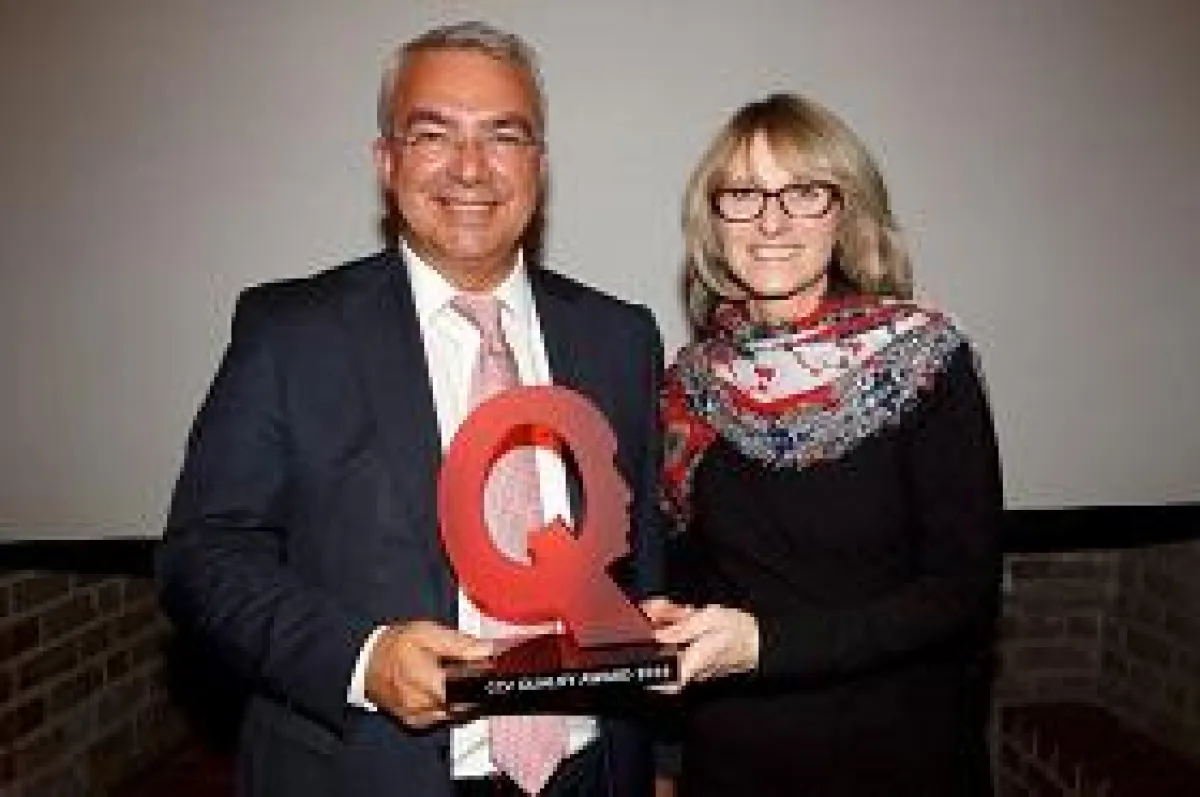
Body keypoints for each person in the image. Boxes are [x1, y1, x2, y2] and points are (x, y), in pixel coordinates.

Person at [157, 21, 665, 797]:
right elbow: (204, 555)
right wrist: (364, 658)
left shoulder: (620, 336)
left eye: (504, 135)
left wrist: (659, 762)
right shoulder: (291, 333)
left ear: (539, 164)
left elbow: (642, 554)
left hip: (593, 772)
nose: (470, 167)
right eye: (434, 134)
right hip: (370, 772)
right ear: (386, 161)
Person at [646, 93, 1004, 796]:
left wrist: (766, 645)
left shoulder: (923, 358)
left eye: (803, 191)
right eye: (743, 194)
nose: (772, 220)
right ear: (713, 220)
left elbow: (961, 592)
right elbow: (702, 574)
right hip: (733, 762)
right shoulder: (690, 386)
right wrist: (669, 619)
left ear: (844, 211)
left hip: (897, 758)